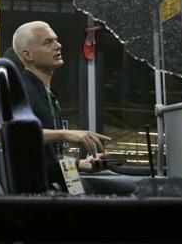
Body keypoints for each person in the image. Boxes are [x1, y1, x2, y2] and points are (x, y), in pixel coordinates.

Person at [11, 20, 112, 189]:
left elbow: (51, 162)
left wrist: (81, 164)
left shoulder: (48, 95)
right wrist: (65, 134)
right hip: (46, 190)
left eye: (56, 40)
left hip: (61, 181)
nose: (58, 45)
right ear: (28, 55)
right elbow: (18, 135)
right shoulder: (22, 91)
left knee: (132, 190)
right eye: (48, 42)